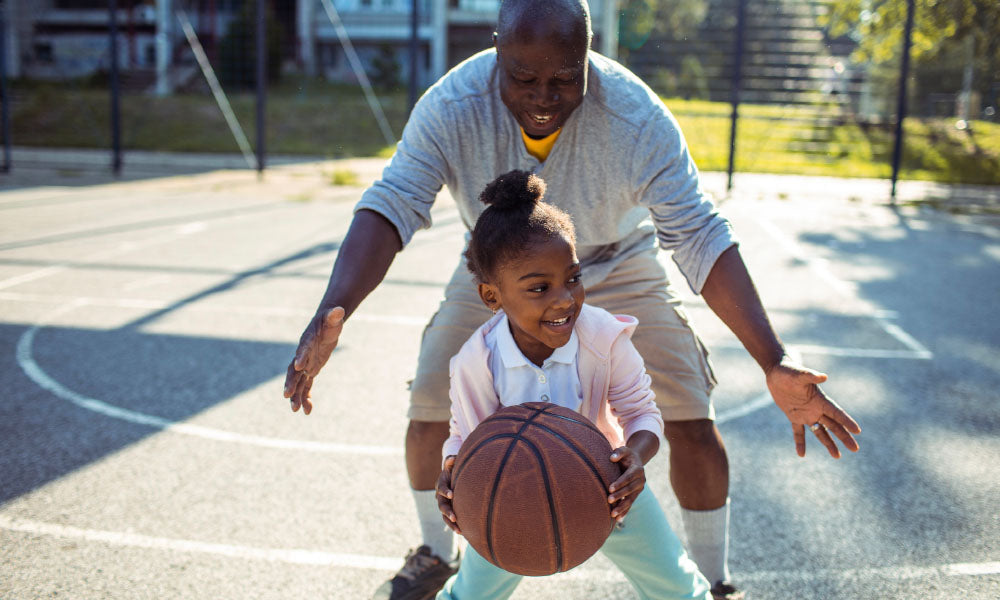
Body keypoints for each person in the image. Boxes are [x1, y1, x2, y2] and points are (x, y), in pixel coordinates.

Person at [283, 1, 862, 598]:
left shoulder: (636, 117)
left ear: (589, 56)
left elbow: (698, 233)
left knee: (689, 412)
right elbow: (392, 204)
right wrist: (337, 309)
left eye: (564, 77)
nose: (543, 95)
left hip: (612, 258)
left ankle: (713, 581)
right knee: (432, 397)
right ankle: (437, 550)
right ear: (497, 53)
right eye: (523, 77)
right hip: (500, 269)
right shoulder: (452, 106)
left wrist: (772, 358)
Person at [433, 169, 710, 600]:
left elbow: (642, 414)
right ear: (493, 297)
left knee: (678, 589)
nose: (564, 298)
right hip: (511, 494)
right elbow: (464, 437)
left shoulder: (602, 336)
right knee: (469, 595)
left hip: (607, 487)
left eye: (573, 278)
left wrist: (634, 458)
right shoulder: (476, 360)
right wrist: (452, 474)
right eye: (539, 288)